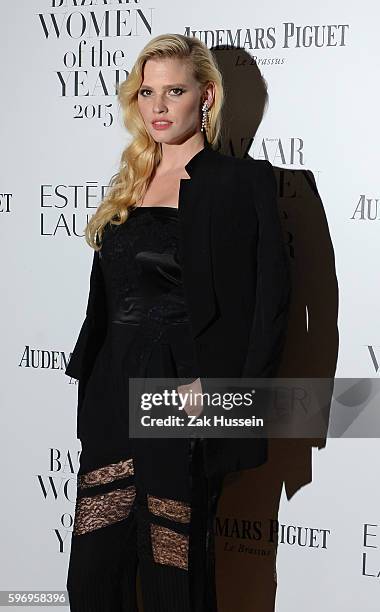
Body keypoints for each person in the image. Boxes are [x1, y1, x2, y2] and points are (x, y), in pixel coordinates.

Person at [64, 33, 291, 611]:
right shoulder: (130, 182)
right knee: (93, 578)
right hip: (113, 392)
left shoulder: (243, 183)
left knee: (174, 576)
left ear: (206, 97)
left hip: (182, 397)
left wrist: (227, 404)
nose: (159, 106)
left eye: (175, 91)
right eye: (147, 92)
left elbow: (269, 310)